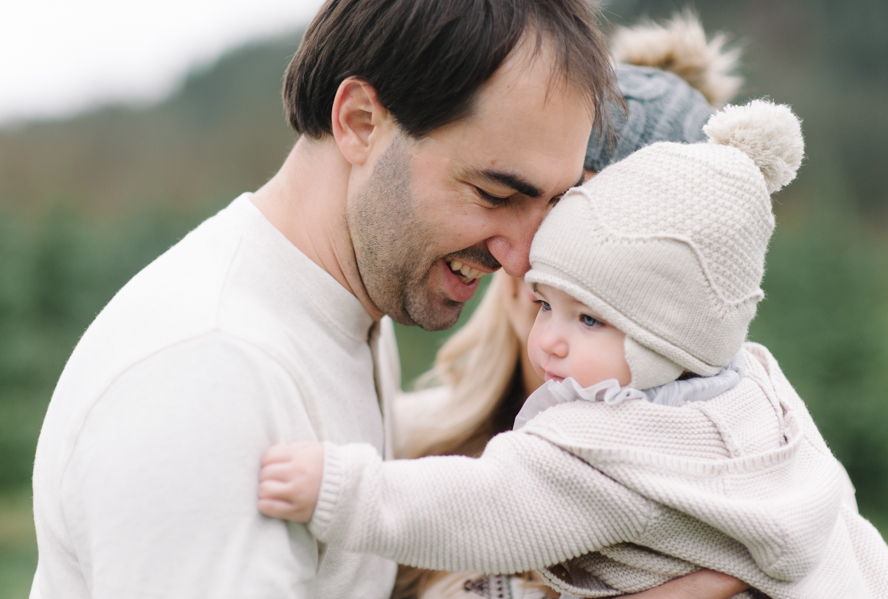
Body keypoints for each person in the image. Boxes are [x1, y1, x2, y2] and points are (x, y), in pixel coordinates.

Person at [29, 0, 621, 597]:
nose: (522, 262)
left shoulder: (351, 313)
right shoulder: (213, 371)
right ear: (361, 121)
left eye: (549, 203)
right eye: (495, 194)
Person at [257, 100, 888, 598]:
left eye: (592, 318)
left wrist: (343, 490)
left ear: (676, 336)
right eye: (547, 303)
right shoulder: (755, 389)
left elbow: (488, 505)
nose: (551, 339)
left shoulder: (604, 448)